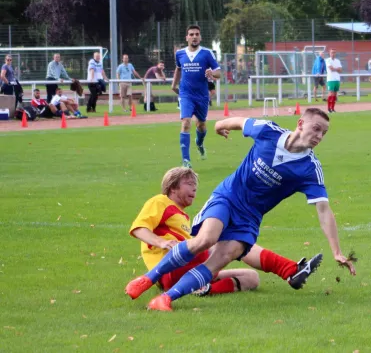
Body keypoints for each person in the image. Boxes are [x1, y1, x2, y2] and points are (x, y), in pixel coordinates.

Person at [125, 108, 356, 311]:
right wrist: (219, 126)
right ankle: (146, 279)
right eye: (316, 129)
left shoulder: (310, 169)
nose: (318, 136)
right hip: (228, 197)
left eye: (323, 133)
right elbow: (240, 122)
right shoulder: (268, 131)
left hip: (250, 218)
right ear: (300, 124)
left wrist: (336, 251)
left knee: (219, 260)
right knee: (205, 239)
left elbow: (324, 210)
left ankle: (165, 299)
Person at [128, 167, 324, 299]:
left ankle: (204, 288)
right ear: (172, 187)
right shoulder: (161, 202)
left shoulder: (183, 217)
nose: (194, 188)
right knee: (228, 242)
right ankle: (289, 270)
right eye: (188, 183)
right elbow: (139, 228)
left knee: (251, 278)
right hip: (170, 270)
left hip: (189, 269)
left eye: (195, 185)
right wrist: (161, 242)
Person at [171, 25, 220, 168]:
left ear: (200, 37)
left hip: (202, 96)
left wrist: (212, 74)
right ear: (187, 37)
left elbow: (219, 72)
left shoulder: (207, 53)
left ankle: (199, 143)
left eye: (197, 34)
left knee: (201, 125)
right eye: (191, 34)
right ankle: (186, 161)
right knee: (186, 122)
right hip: (186, 94)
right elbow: (178, 69)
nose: (194, 36)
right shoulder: (180, 54)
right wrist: (174, 84)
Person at [325, 49, 342, 113]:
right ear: (329, 53)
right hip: (331, 79)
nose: (333, 54)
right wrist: (337, 68)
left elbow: (340, 70)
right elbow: (331, 69)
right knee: (331, 93)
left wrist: (336, 69)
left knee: (335, 94)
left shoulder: (337, 61)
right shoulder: (328, 60)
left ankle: (332, 108)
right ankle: (329, 108)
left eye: (334, 52)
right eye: (332, 52)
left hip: (337, 79)